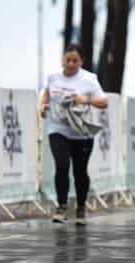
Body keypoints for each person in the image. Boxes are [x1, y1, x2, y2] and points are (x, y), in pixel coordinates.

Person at [39, 44, 108, 225]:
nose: (70, 64)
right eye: (67, 60)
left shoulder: (89, 79)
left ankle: (81, 207)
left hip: (81, 132)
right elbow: (47, 93)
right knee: (61, 165)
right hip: (58, 129)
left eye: (75, 61)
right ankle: (62, 206)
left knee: (80, 171)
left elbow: (104, 102)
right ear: (63, 59)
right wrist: (44, 105)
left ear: (81, 62)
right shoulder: (53, 78)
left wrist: (86, 99)